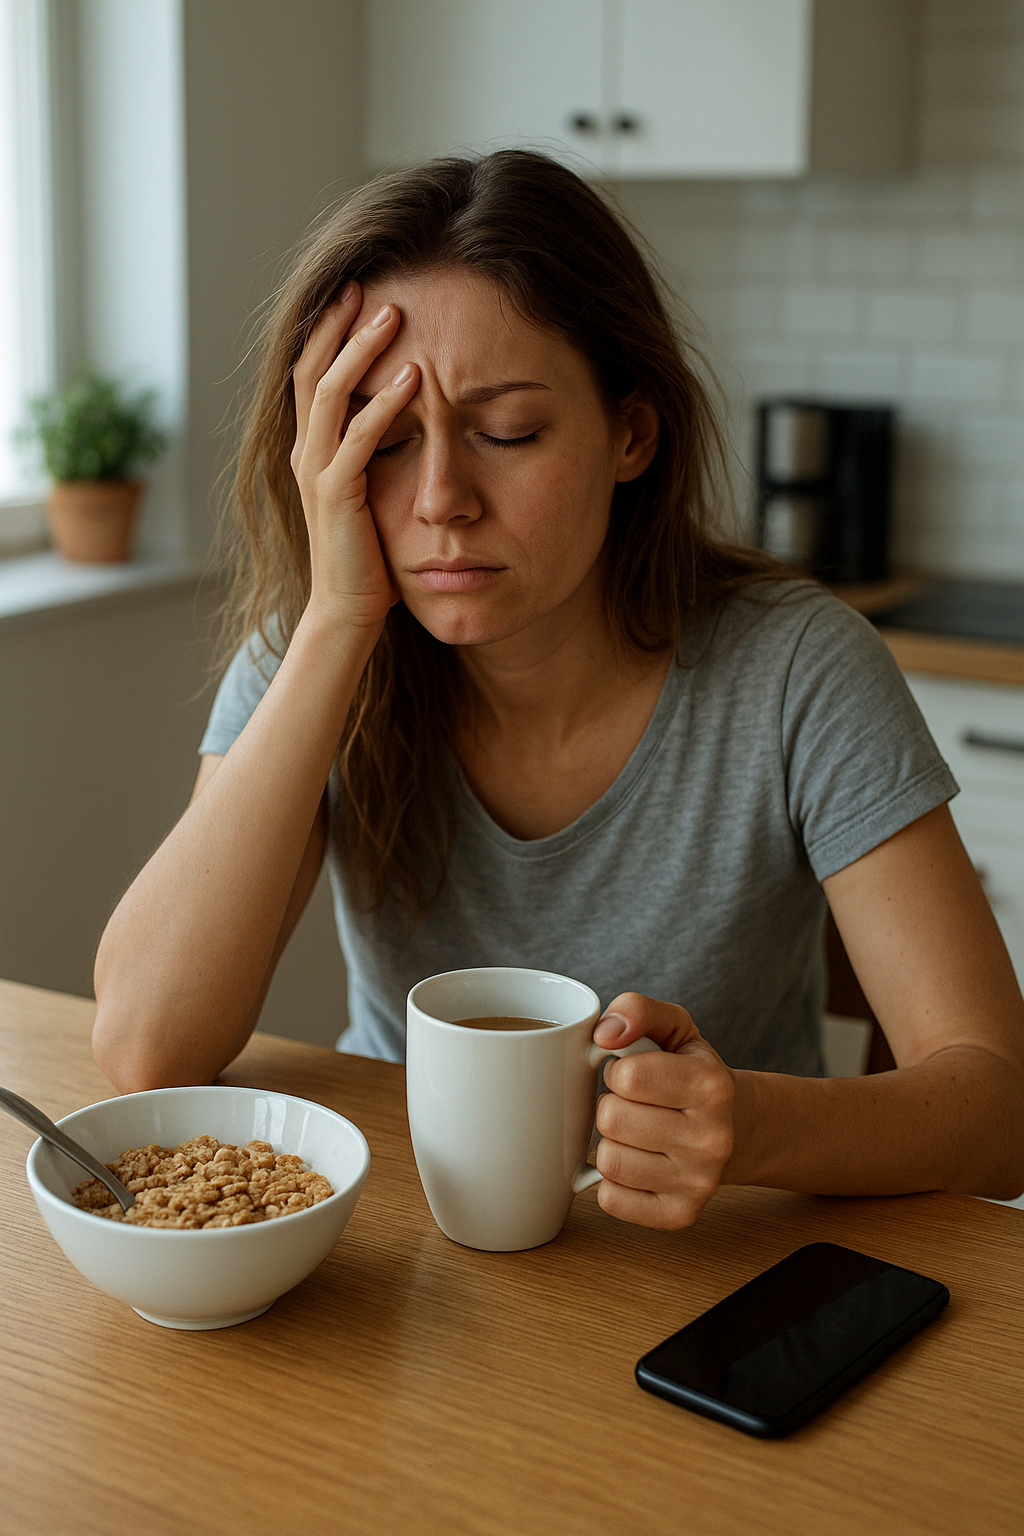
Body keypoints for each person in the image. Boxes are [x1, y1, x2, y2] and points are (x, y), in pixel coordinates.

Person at [92, 150, 1024, 1229]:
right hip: (409, 1244)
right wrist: (339, 620)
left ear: (630, 431)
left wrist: (746, 1126)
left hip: (719, 1260)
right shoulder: (312, 661)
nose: (441, 499)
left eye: (508, 434)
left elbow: (998, 1118)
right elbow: (144, 1046)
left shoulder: (797, 671)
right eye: (384, 442)